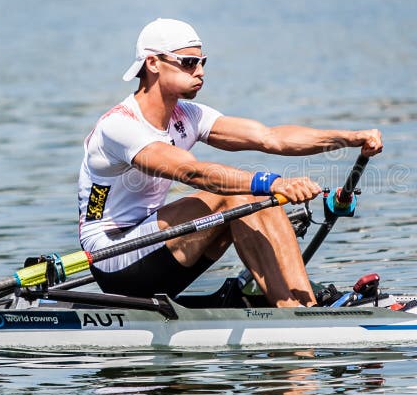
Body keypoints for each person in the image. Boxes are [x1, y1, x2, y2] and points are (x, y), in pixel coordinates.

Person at [78, 18, 382, 307]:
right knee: (236, 194)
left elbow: (270, 138)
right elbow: (192, 172)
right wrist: (274, 183)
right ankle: (294, 309)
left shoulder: (188, 116)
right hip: (113, 258)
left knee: (252, 196)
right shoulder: (119, 126)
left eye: (202, 62)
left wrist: (350, 137)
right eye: (188, 63)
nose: (200, 71)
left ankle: (300, 305)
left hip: (159, 245)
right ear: (153, 63)